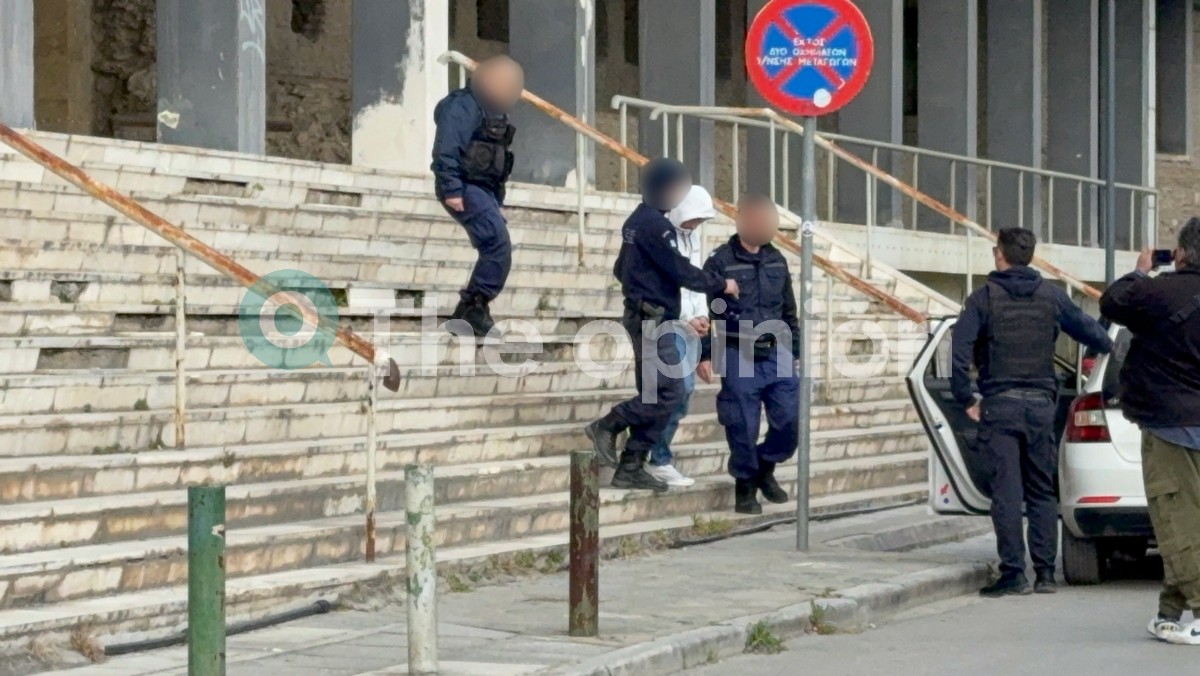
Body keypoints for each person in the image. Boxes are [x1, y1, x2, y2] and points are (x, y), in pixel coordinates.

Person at [952, 227, 1112, 597]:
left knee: (1007, 492)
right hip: (1042, 405)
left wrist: (966, 399)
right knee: (1041, 490)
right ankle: (1044, 575)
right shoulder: (1052, 298)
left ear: (999, 255)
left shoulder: (982, 299)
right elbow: (1099, 339)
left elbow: (959, 354)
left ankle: (1014, 574)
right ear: (1031, 256)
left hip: (1000, 405)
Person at [585, 158, 738, 492]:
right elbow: (680, 271)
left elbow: (620, 268)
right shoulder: (656, 226)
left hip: (650, 316)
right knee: (670, 392)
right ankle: (610, 424)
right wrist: (720, 284)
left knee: (658, 394)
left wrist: (642, 284)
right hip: (652, 320)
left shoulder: (639, 222)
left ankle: (631, 465)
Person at [1100, 217, 1200, 644]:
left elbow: (1113, 301)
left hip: (1170, 424)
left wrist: (1141, 270)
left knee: (1177, 520)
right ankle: (1170, 611)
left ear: (1181, 252)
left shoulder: (1159, 291)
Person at [697, 194, 800, 515]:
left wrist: (795, 350)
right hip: (736, 349)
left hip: (777, 351)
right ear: (742, 220)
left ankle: (764, 466)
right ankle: (745, 484)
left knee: (790, 421)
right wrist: (704, 353)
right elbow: (704, 310)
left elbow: (788, 309)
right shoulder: (719, 261)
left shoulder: (777, 260)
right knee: (742, 424)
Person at [431, 55, 525, 337]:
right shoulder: (462, 106)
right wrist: (452, 189)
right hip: (465, 186)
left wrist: (497, 201)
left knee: (497, 245)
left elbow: (498, 160)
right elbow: (446, 150)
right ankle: (474, 305)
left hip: (483, 190)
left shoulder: (494, 111)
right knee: (497, 244)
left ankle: (470, 309)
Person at [646, 185, 718, 488]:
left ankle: (652, 450)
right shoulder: (660, 236)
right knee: (679, 388)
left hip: (688, 325)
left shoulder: (694, 238)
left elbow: (696, 283)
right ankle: (657, 457)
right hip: (666, 323)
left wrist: (702, 321)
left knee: (682, 394)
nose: (695, 225)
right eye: (693, 219)